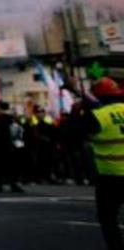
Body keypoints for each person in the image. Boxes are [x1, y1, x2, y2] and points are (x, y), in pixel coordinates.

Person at [70, 77, 124, 249]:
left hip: (110, 176)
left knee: (108, 218)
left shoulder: (97, 116)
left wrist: (77, 112)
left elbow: (72, 137)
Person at [0, 101, 24, 193]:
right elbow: (18, 133)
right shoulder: (11, 119)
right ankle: (13, 185)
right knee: (11, 167)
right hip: (10, 147)